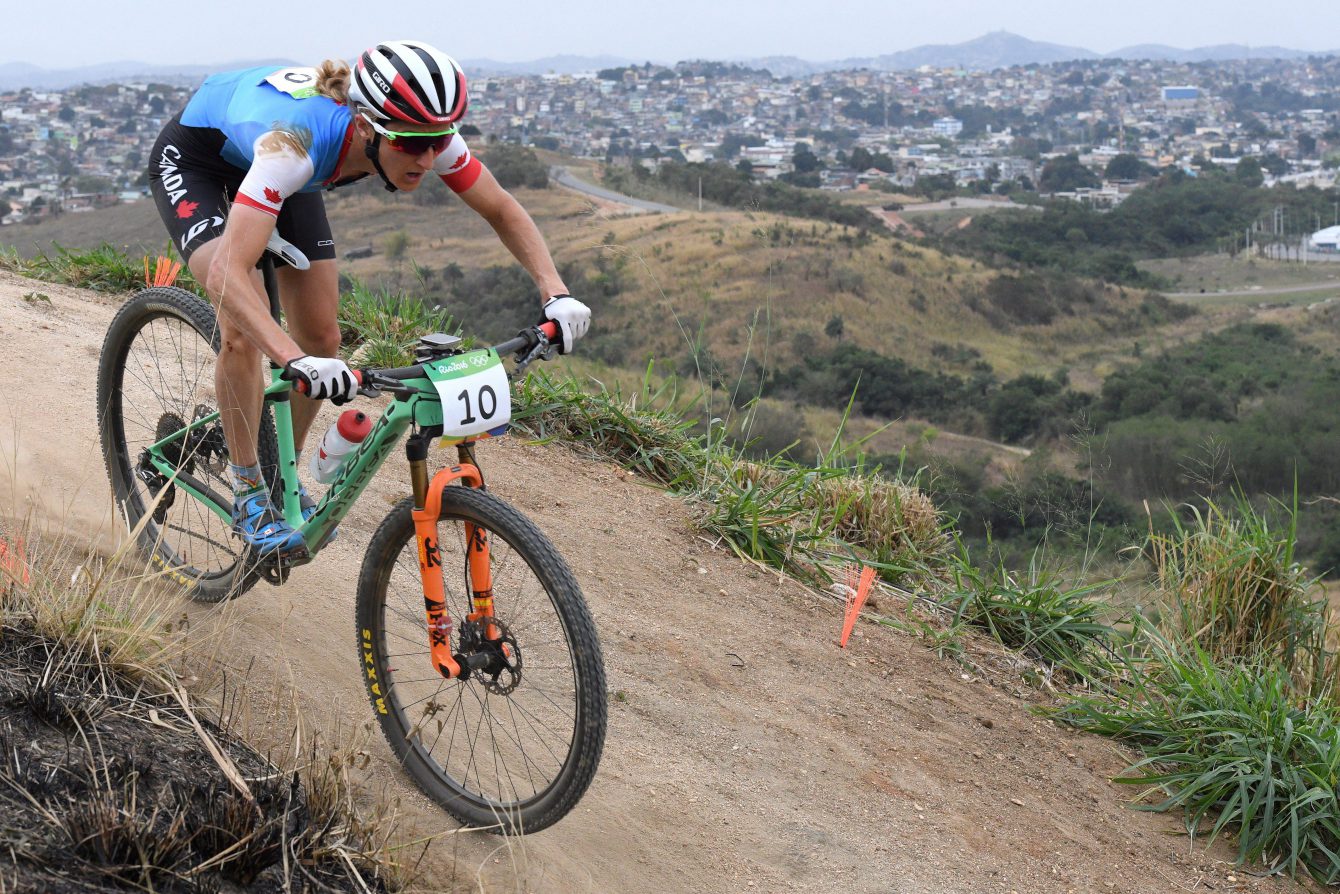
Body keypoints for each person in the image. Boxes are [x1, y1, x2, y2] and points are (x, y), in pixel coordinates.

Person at [146, 40, 590, 555]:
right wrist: (293, 362)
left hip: (284, 173)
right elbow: (225, 274)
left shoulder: (423, 131)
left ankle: (278, 477)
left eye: (436, 141)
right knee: (243, 330)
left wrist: (555, 292)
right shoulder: (294, 146)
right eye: (409, 143)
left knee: (323, 337)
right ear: (364, 126)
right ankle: (249, 492)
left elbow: (501, 209)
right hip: (199, 159)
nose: (426, 159)